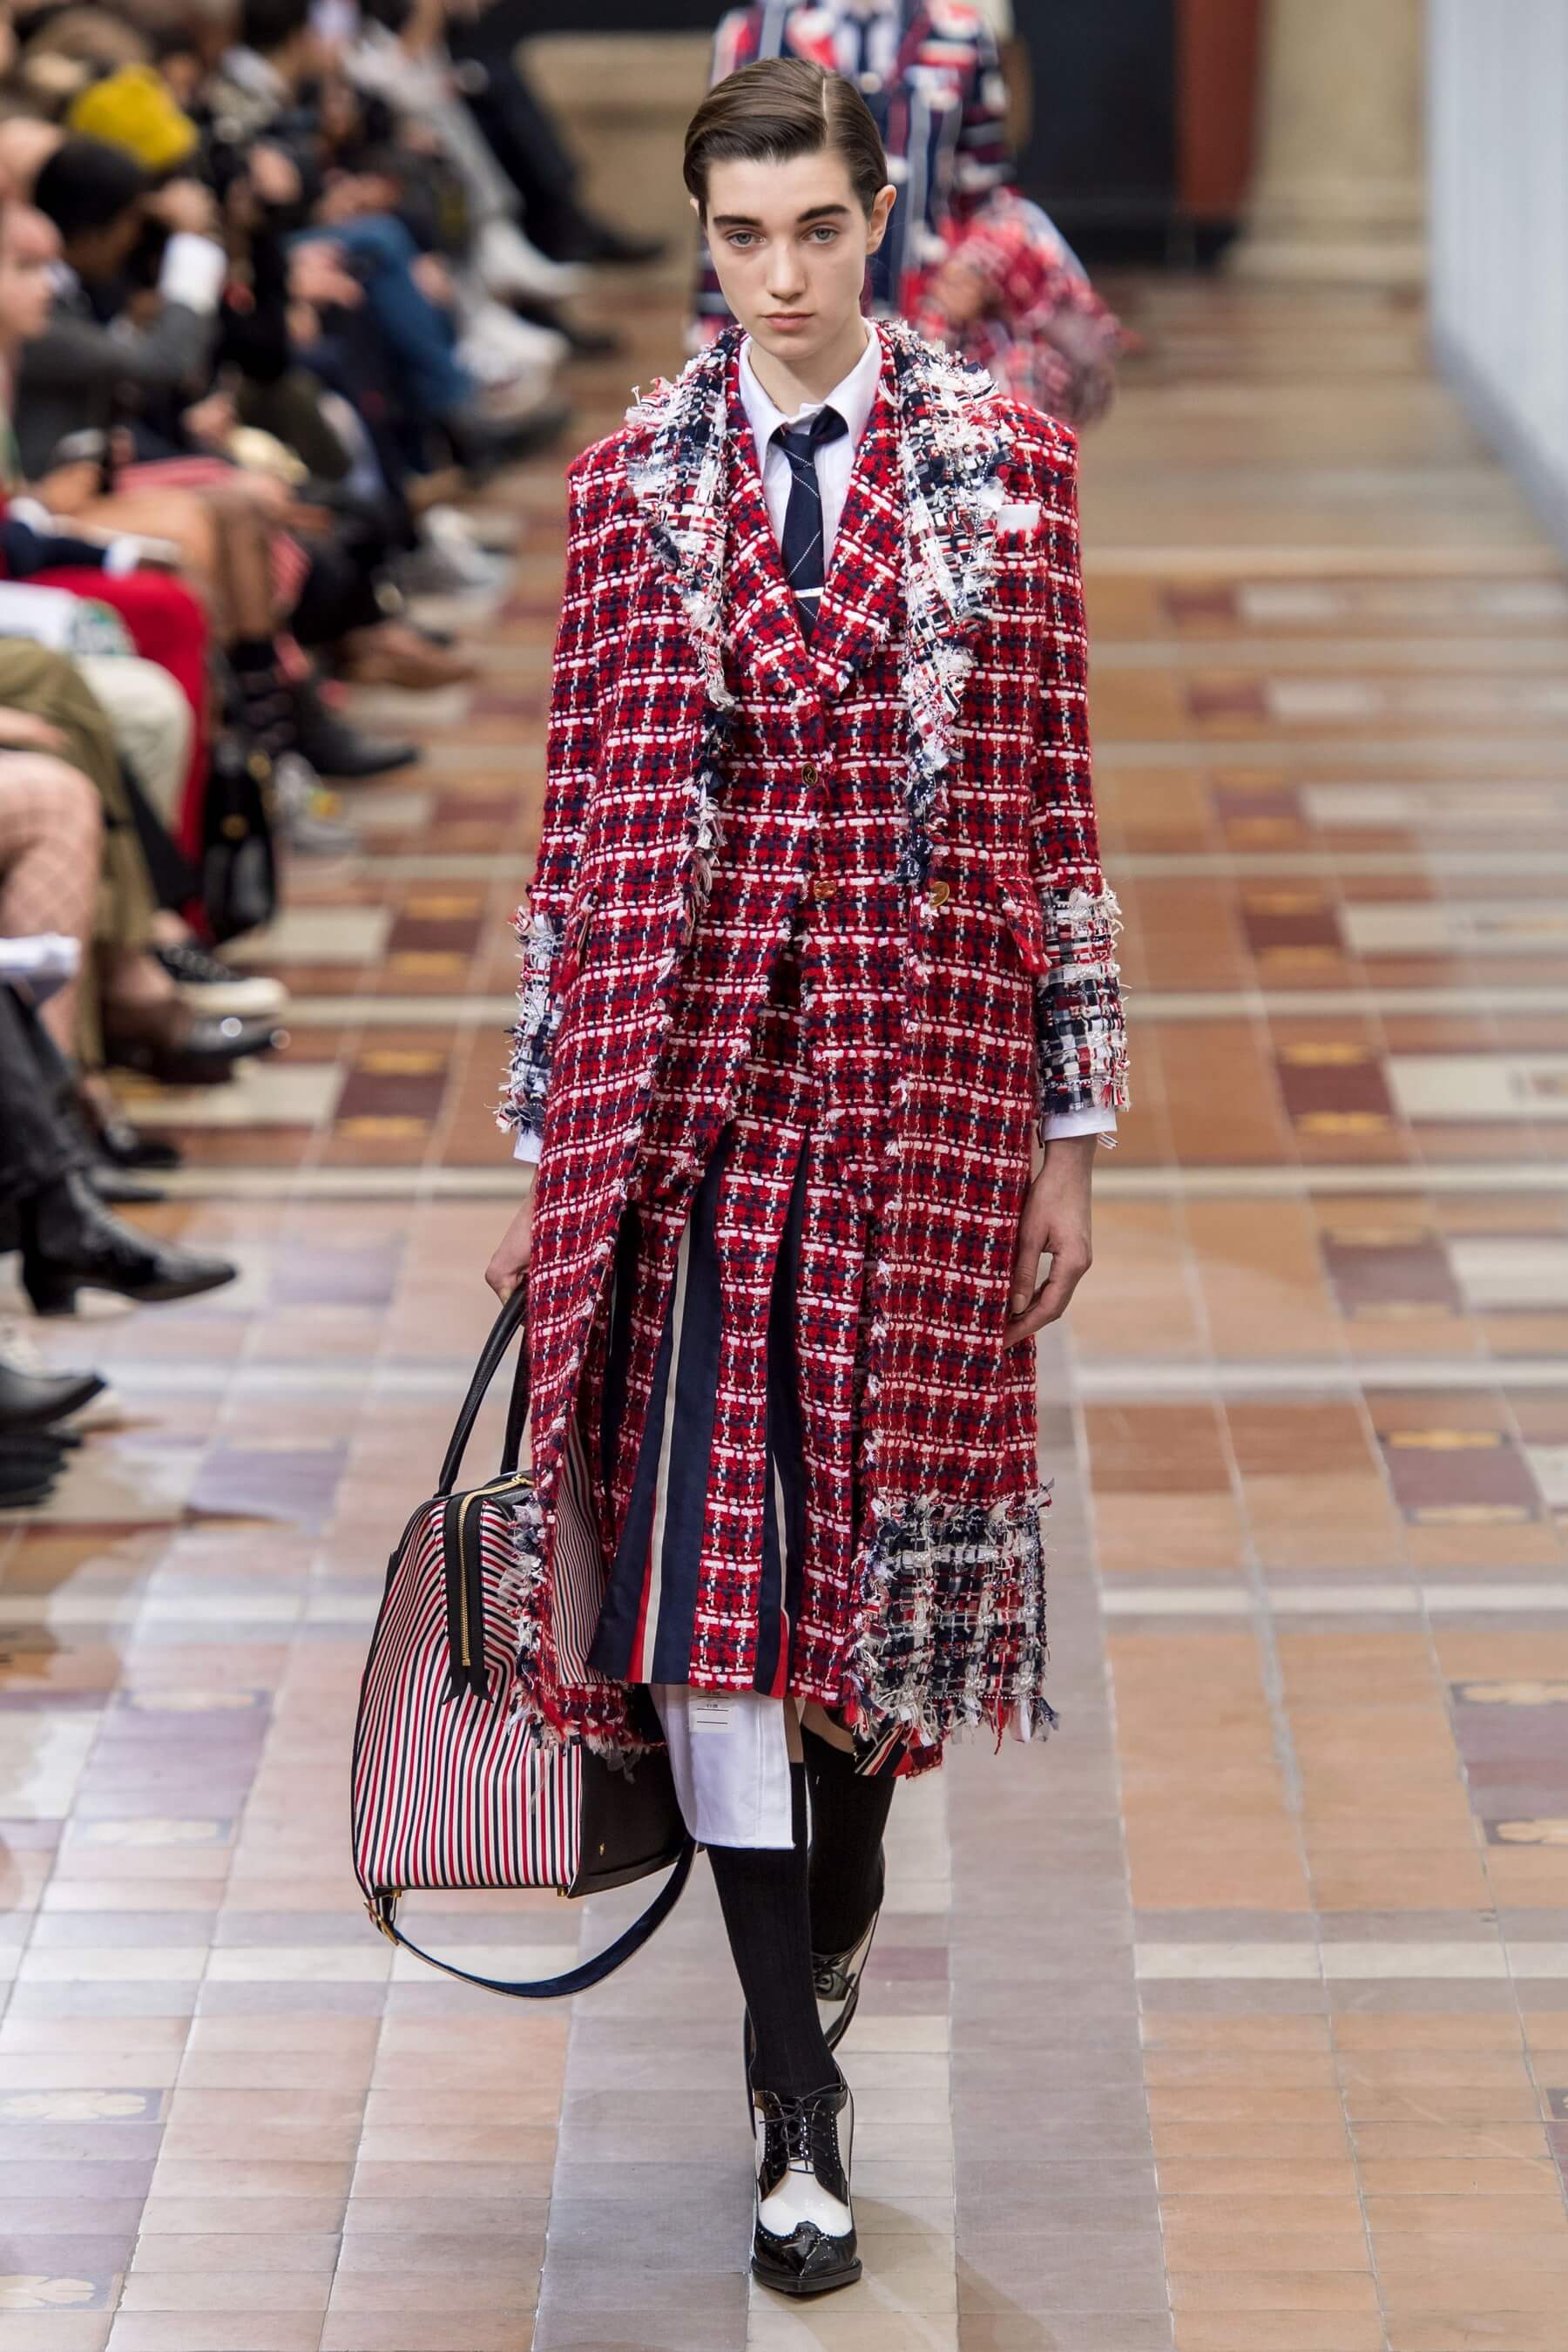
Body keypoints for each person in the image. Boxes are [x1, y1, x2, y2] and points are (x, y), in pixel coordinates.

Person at [485, 57, 1125, 2297]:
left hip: (919, 1098)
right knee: (710, 1599)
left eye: (815, 230)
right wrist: (545, 1143)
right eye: (740, 237)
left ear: (879, 220)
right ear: (703, 238)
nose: (778, 276)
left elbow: (1054, 805)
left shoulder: (1008, 471)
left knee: (865, 1603)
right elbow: (576, 823)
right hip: (681, 1113)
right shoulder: (626, 486)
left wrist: (1068, 1136)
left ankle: (828, 1926)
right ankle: (791, 2096)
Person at [694, 0, 1121, 427]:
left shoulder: (960, 33)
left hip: (931, 329)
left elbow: (985, 191)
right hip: (793, 342)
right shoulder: (754, 35)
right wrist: (709, 346)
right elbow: (726, 203)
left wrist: (976, 266)